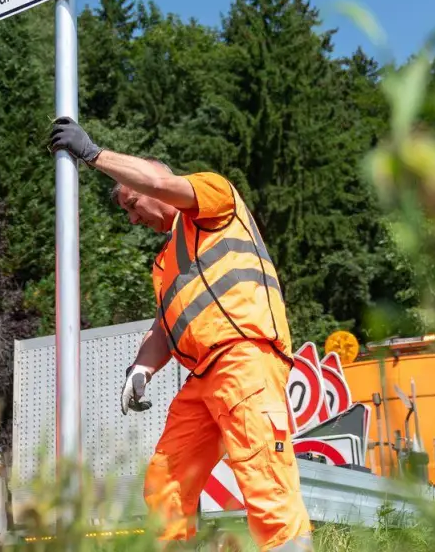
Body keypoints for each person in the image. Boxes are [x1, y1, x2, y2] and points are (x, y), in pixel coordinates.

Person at [48, 117, 313, 552]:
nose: (133, 219)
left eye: (133, 204)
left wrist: (94, 155)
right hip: (203, 381)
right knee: (165, 484)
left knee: (265, 481)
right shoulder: (166, 262)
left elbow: (158, 181)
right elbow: (164, 329)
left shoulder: (214, 197)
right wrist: (141, 369)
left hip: (243, 359)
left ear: (156, 183)